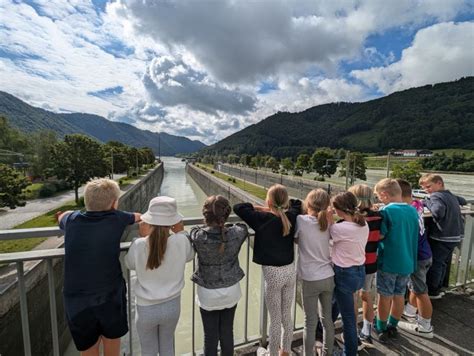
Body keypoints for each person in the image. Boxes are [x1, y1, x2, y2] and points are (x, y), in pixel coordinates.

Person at [57, 178, 141, 356]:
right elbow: (138, 216)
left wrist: (67, 213)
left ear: (86, 201)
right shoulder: (117, 218)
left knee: (88, 348)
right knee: (111, 343)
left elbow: (62, 216)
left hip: (76, 301)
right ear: (113, 203)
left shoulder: (72, 219)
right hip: (110, 296)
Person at [234, 184, 301, 356]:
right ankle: (285, 351)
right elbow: (297, 203)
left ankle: (272, 353)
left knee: (275, 319)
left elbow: (239, 207)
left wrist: (265, 208)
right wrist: (278, 208)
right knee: (287, 315)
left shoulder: (261, 218)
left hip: (272, 274)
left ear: (269, 201)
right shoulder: (292, 216)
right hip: (289, 271)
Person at [125, 196, 194, 355]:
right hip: (172, 305)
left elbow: (129, 264)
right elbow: (189, 256)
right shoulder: (181, 241)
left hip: (146, 309)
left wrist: (142, 238)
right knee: (168, 347)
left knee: (148, 351)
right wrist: (181, 231)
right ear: (173, 222)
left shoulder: (139, 244)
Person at [190, 195, 248, 356]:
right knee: (227, 332)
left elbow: (193, 230)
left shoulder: (199, 236)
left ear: (205, 215)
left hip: (208, 294)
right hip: (231, 291)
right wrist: (226, 225)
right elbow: (242, 226)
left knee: (210, 337)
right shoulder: (236, 234)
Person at [373, 178, 418, 342]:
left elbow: (381, 235)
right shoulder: (413, 210)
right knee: (399, 295)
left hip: (389, 261)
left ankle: (381, 327)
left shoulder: (386, 212)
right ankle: (393, 325)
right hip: (407, 261)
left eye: (378, 196)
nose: (378, 199)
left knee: (384, 296)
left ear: (385, 194)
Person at [295, 189, 334, 356]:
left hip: (310, 278)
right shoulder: (329, 223)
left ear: (308, 203)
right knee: (327, 320)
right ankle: (328, 352)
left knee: (310, 322)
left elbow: (296, 238)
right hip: (328, 276)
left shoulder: (301, 220)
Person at [329, 191, 368, 356]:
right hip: (359, 271)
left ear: (340, 209)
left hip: (345, 273)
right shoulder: (363, 224)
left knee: (349, 319)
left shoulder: (339, 228)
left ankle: (349, 353)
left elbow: (326, 232)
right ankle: (324, 330)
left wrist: (328, 217)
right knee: (339, 304)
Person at [395, 179, 434, 338]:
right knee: (415, 286)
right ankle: (410, 312)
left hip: (417, 258)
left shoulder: (405, 213)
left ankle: (425, 326)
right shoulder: (416, 205)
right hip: (425, 253)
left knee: (421, 291)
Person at [419, 174, 467, 299]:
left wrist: (426, 201)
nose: (427, 190)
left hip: (442, 236)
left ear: (439, 183)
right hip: (456, 235)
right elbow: (463, 201)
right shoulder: (449, 194)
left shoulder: (435, 196)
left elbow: (438, 211)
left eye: (429, 187)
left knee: (435, 263)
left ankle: (433, 291)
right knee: (443, 263)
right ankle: (440, 287)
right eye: (425, 189)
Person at [347, 184, 382, 347]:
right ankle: (367, 330)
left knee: (353, 298)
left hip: (354, 263)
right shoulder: (379, 217)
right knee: (367, 295)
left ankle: (353, 332)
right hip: (370, 262)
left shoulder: (352, 218)